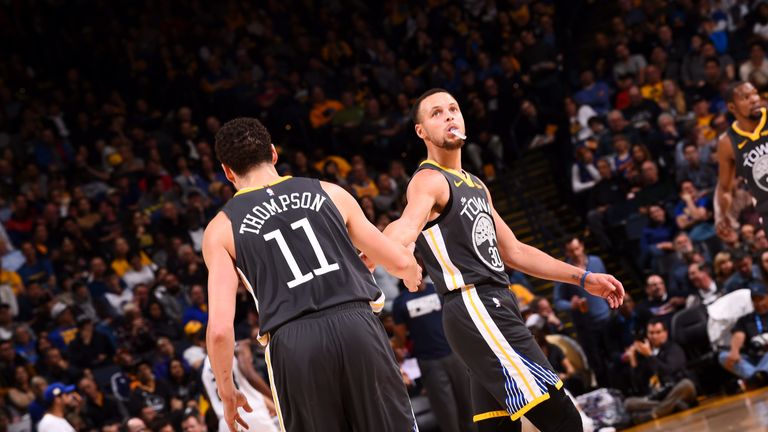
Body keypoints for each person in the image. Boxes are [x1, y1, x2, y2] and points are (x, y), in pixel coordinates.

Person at [383, 88, 624, 432]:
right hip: (476, 305)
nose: (449, 116)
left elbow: (516, 252)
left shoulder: (476, 184)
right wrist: (389, 255)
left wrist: (584, 278)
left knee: (499, 428)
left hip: (492, 307)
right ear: (421, 131)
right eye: (436, 113)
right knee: (564, 420)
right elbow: (406, 225)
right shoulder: (429, 179)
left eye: (453, 108)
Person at [202, 118, 421, 432]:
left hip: (293, 344)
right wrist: (411, 271)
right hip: (357, 325)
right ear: (274, 154)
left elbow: (221, 331)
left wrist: (227, 392)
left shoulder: (220, 229)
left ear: (227, 171)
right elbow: (398, 261)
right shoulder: (330, 192)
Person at [392, 277, 473, 432]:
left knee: (469, 406)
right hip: (429, 362)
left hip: (454, 354)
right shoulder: (400, 302)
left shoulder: (437, 289)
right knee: (446, 413)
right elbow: (400, 338)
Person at [716, 81, 768, 239]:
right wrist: (723, 215)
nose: (754, 99)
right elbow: (725, 188)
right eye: (746, 97)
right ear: (732, 107)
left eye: (754, 93)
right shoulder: (727, 143)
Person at [201, 340, 278, 432]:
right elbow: (250, 374)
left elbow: (211, 400)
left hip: (226, 422)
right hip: (252, 413)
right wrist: (275, 400)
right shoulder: (238, 346)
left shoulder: (204, 368)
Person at [719, 283, 768, 387]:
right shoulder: (746, 319)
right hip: (754, 358)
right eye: (755, 300)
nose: (758, 303)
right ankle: (758, 377)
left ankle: (756, 378)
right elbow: (739, 334)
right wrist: (734, 351)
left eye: (761, 299)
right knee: (723, 356)